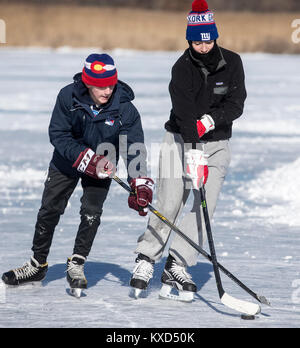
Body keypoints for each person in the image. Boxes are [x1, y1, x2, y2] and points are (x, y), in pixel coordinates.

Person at [2, 53, 154, 296]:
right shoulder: (68, 97)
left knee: (91, 213)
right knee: (50, 209)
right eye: (99, 85)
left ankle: (77, 263)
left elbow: (134, 148)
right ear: (87, 83)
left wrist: (140, 184)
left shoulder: (125, 109)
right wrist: (87, 159)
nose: (106, 90)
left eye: (110, 84)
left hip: (103, 164)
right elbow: (58, 134)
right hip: (67, 160)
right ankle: (37, 264)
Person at [130, 0, 247, 302]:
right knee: (169, 202)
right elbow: (184, 113)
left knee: (204, 205)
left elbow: (235, 104)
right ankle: (146, 258)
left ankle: (177, 263)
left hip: (217, 145)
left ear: (214, 35)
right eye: (196, 40)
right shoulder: (181, 68)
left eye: (207, 38)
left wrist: (212, 120)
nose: (202, 45)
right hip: (179, 141)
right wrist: (192, 149)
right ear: (189, 39)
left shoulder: (233, 63)